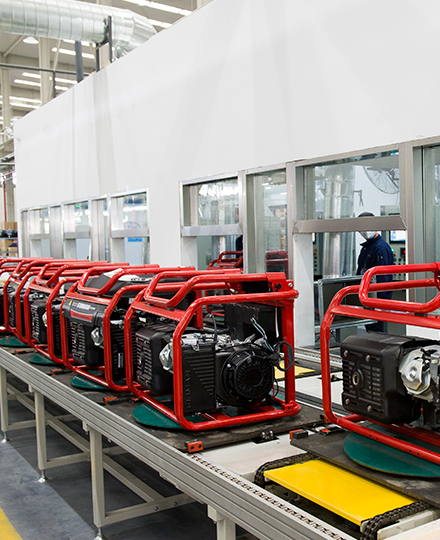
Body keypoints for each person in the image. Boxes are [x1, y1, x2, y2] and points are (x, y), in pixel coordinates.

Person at [356, 212, 394, 332]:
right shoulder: (366, 247)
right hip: (367, 298)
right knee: (370, 331)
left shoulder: (381, 248)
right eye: (361, 228)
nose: (365, 231)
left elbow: (384, 279)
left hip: (377, 301)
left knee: (378, 333)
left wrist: (380, 305)